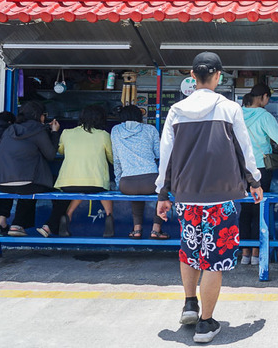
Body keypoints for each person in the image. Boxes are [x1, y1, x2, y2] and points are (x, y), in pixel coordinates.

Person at [156, 52, 262, 344]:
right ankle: (205, 324)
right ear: (218, 76)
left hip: (187, 197)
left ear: (192, 76)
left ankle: (190, 303)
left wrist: (163, 194)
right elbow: (245, 150)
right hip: (222, 198)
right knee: (214, 261)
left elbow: (166, 156)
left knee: (190, 250)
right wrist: (254, 182)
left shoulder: (176, 110)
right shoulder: (229, 108)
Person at [0, 101, 62, 237]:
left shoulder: (10, 130)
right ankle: (50, 225)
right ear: (39, 116)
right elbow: (50, 155)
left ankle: (17, 224)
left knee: (29, 184)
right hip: (28, 183)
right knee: (62, 186)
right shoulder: (38, 130)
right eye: (44, 115)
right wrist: (54, 133)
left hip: (2, 184)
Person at [240, 83, 278, 265]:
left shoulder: (237, 113)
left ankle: (244, 254)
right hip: (260, 170)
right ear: (263, 97)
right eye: (268, 98)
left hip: (240, 169)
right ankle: (255, 254)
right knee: (258, 209)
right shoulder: (264, 116)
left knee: (244, 210)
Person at [48, 105, 114, 238]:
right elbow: (112, 158)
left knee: (80, 189)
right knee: (104, 191)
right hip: (96, 183)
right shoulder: (103, 135)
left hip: (68, 183)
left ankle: (68, 216)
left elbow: (61, 151)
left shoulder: (67, 133)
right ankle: (109, 218)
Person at [111, 104, 166, 239]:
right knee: (162, 191)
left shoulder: (116, 131)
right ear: (140, 117)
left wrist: (119, 182)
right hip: (150, 181)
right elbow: (160, 154)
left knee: (135, 192)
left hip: (127, 184)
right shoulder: (150, 129)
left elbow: (116, 160)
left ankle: (137, 229)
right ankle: (156, 229)